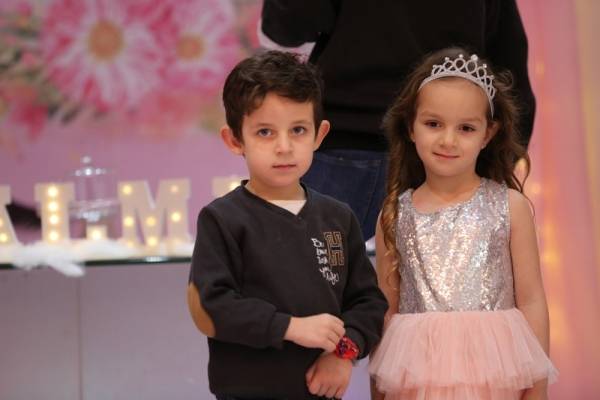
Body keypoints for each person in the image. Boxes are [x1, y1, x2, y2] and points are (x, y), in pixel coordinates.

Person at [187, 50, 388, 400]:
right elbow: (210, 306)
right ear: (235, 140)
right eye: (265, 132)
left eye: (298, 130)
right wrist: (290, 328)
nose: (284, 147)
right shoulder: (222, 219)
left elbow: (368, 303)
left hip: (321, 392)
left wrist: (343, 353)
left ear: (319, 135)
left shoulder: (339, 217)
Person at [368, 47, 557, 399]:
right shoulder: (394, 215)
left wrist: (538, 388)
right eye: (433, 124)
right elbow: (386, 311)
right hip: (417, 376)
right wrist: (377, 390)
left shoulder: (509, 207)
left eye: (466, 128)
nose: (448, 140)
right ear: (411, 127)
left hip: (494, 375)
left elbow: (532, 301)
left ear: (487, 134)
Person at [260, 0, 536, 241]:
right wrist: (498, 158)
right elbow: (507, 58)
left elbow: (289, 24)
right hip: (444, 158)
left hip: (347, 137)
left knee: (299, 278)